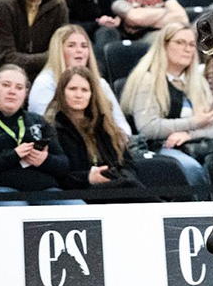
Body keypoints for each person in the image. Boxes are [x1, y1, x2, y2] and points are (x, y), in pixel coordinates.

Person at [0, 63, 75, 203]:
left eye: (19, 87)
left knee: (78, 209)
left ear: (25, 93)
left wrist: (44, 160)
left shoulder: (38, 122)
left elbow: (64, 165)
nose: (12, 91)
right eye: (6, 85)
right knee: (15, 210)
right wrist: (13, 155)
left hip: (43, 192)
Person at [120, 22, 213, 189]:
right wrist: (195, 122)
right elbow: (148, 127)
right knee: (191, 168)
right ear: (164, 45)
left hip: (194, 144)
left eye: (191, 44)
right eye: (180, 42)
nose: (187, 49)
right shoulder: (147, 80)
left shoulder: (198, 81)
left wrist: (189, 134)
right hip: (159, 147)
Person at [46, 65, 144, 194]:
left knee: (131, 185)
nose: (78, 95)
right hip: (80, 191)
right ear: (62, 92)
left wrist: (120, 177)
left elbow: (128, 164)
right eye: (72, 89)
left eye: (85, 90)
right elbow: (57, 175)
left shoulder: (104, 126)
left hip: (116, 187)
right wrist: (87, 178)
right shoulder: (53, 129)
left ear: (92, 94)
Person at [28, 24, 131, 135]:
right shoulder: (45, 82)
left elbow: (122, 126)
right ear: (58, 50)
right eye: (71, 46)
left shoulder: (100, 83)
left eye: (84, 46)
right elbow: (46, 125)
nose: (79, 51)